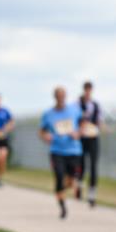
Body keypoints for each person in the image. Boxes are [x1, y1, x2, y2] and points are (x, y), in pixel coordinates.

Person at [39, 86, 82, 219]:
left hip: (73, 149)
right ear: (55, 97)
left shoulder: (74, 110)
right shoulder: (48, 114)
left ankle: (68, 187)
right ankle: (62, 206)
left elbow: (83, 124)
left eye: (63, 95)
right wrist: (45, 136)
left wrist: (78, 133)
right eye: (58, 96)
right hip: (57, 150)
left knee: (70, 180)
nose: (61, 98)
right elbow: (42, 131)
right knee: (58, 176)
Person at [76, 81, 103, 207]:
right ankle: (79, 185)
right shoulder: (77, 104)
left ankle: (92, 194)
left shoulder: (96, 105)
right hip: (81, 138)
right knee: (81, 164)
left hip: (93, 137)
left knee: (93, 166)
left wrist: (99, 128)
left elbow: (99, 121)